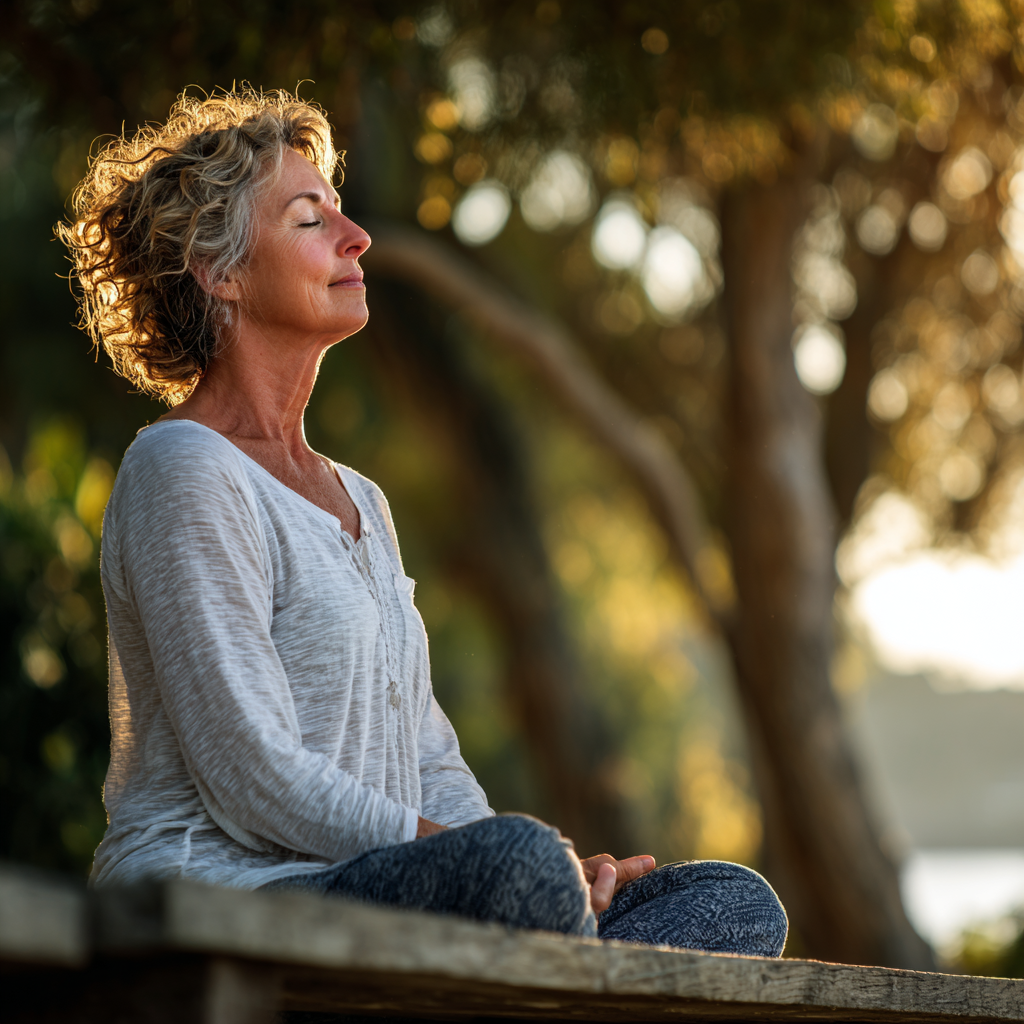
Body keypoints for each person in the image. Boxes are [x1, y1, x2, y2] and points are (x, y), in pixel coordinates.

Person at [60, 87, 788, 957]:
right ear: (221, 272)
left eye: (341, 210)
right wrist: (503, 865)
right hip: (226, 896)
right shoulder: (183, 469)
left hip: (375, 891)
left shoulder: (362, 500)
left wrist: (546, 869)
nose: (355, 235)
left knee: (735, 902)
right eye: (308, 219)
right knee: (523, 869)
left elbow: (428, 754)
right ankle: (562, 957)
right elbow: (251, 774)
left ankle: (560, 949)